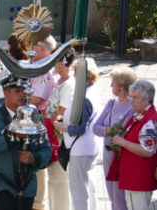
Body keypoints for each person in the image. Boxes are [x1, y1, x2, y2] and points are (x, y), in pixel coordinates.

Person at [0, 75, 53, 210]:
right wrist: (14, 136)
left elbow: (46, 150)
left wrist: (34, 158)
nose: (22, 95)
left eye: (24, 91)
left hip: (26, 186)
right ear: (5, 93)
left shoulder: (34, 117)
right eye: (17, 91)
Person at [53, 59, 101, 210]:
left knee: (78, 193)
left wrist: (63, 126)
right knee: (89, 188)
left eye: (75, 72)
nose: (73, 75)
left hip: (80, 149)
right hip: (89, 147)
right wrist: (65, 119)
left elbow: (80, 128)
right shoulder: (91, 90)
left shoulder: (85, 97)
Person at [108, 79, 157, 210]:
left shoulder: (150, 121)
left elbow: (148, 151)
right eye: (131, 96)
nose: (131, 100)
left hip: (140, 177)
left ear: (147, 99)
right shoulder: (141, 115)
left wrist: (122, 142)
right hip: (134, 176)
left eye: (135, 97)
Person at [92, 67, 136, 210]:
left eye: (113, 82)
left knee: (119, 196)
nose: (110, 85)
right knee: (111, 194)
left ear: (122, 85)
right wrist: (108, 130)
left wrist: (106, 131)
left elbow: (124, 132)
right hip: (107, 153)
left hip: (121, 156)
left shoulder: (132, 107)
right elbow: (95, 127)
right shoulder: (111, 103)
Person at [42, 49, 76, 210]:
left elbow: (61, 113)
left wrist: (49, 125)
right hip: (51, 129)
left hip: (59, 134)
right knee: (53, 178)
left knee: (59, 178)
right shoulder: (60, 80)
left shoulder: (69, 83)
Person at [29, 36, 57, 210]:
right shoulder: (40, 66)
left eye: (32, 45)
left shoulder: (45, 69)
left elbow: (38, 97)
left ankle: (38, 204)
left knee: (39, 164)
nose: (29, 49)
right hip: (35, 118)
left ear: (41, 48)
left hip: (39, 119)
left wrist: (17, 103)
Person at [0, 34, 29, 106]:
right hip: (0, 99)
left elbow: (2, 79)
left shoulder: (20, 65)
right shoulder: (13, 63)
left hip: (6, 102)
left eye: (8, 45)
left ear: (12, 46)